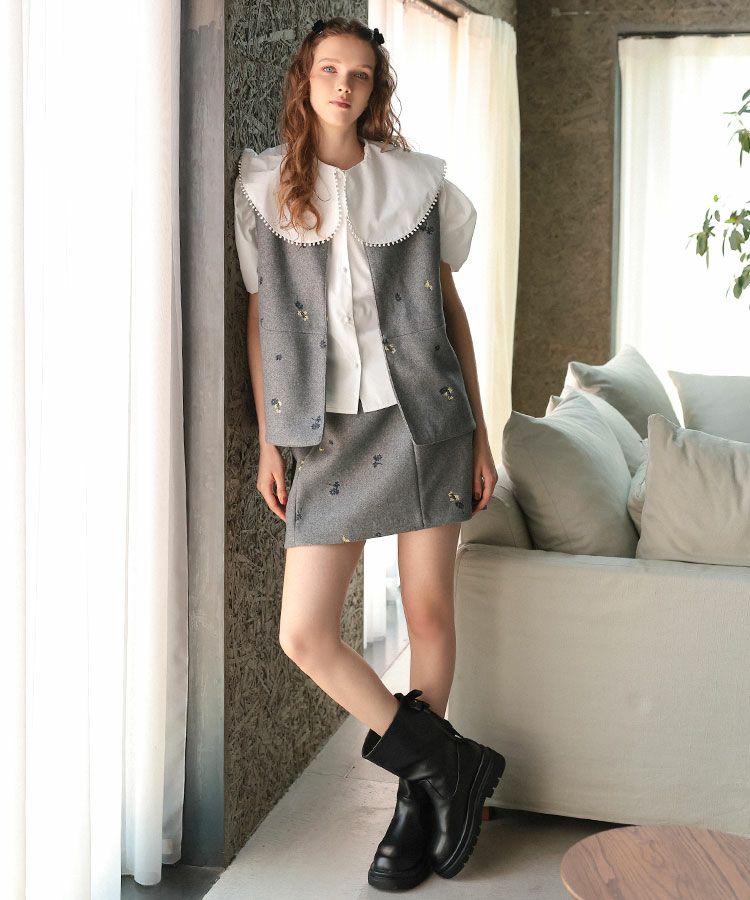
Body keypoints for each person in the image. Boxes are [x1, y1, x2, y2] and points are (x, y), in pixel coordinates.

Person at [233, 16, 506, 891]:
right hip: (326, 433)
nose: (343, 86)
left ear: (374, 89)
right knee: (304, 633)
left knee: (427, 613)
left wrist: (481, 430)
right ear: (305, 79)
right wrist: (271, 437)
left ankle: (415, 805)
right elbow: (261, 317)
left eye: (358, 74)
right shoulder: (264, 187)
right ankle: (445, 766)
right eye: (328, 70)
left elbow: (450, 312)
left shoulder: (414, 184)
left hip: (425, 420)